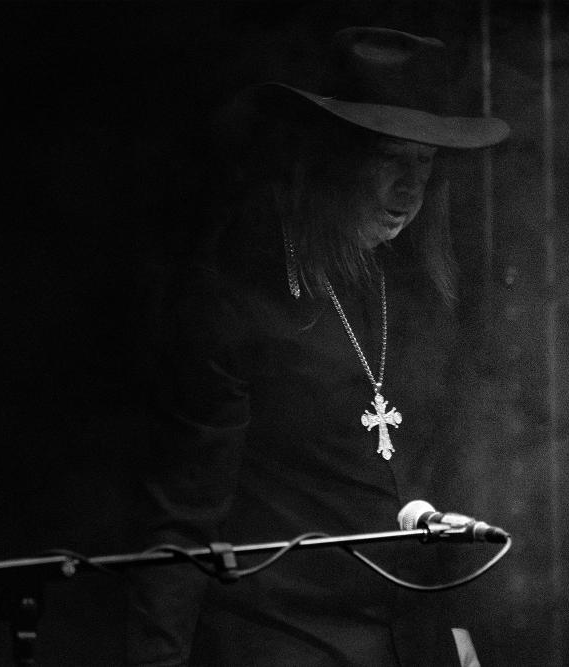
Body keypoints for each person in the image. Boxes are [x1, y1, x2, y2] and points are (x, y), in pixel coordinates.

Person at [125, 27, 509, 666]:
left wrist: (462, 634)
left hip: (414, 638)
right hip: (283, 638)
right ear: (328, 158)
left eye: (423, 163)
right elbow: (183, 518)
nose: (409, 190)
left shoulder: (420, 293)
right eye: (388, 158)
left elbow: (442, 479)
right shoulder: (233, 296)